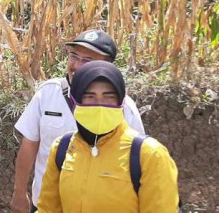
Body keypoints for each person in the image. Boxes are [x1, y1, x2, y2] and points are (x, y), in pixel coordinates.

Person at [11, 30, 145, 213]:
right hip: (46, 205)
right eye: (74, 56)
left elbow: (136, 159)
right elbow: (29, 145)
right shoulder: (47, 94)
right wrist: (19, 193)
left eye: (88, 60)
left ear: (108, 66)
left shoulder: (123, 108)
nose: (77, 65)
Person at [37, 60, 179, 212]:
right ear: (75, 101)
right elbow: (48, 209)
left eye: (108, 97)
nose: (99, 104)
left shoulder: (149, 155)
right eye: (89, 96)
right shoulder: (62, 148)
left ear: (121, 102)